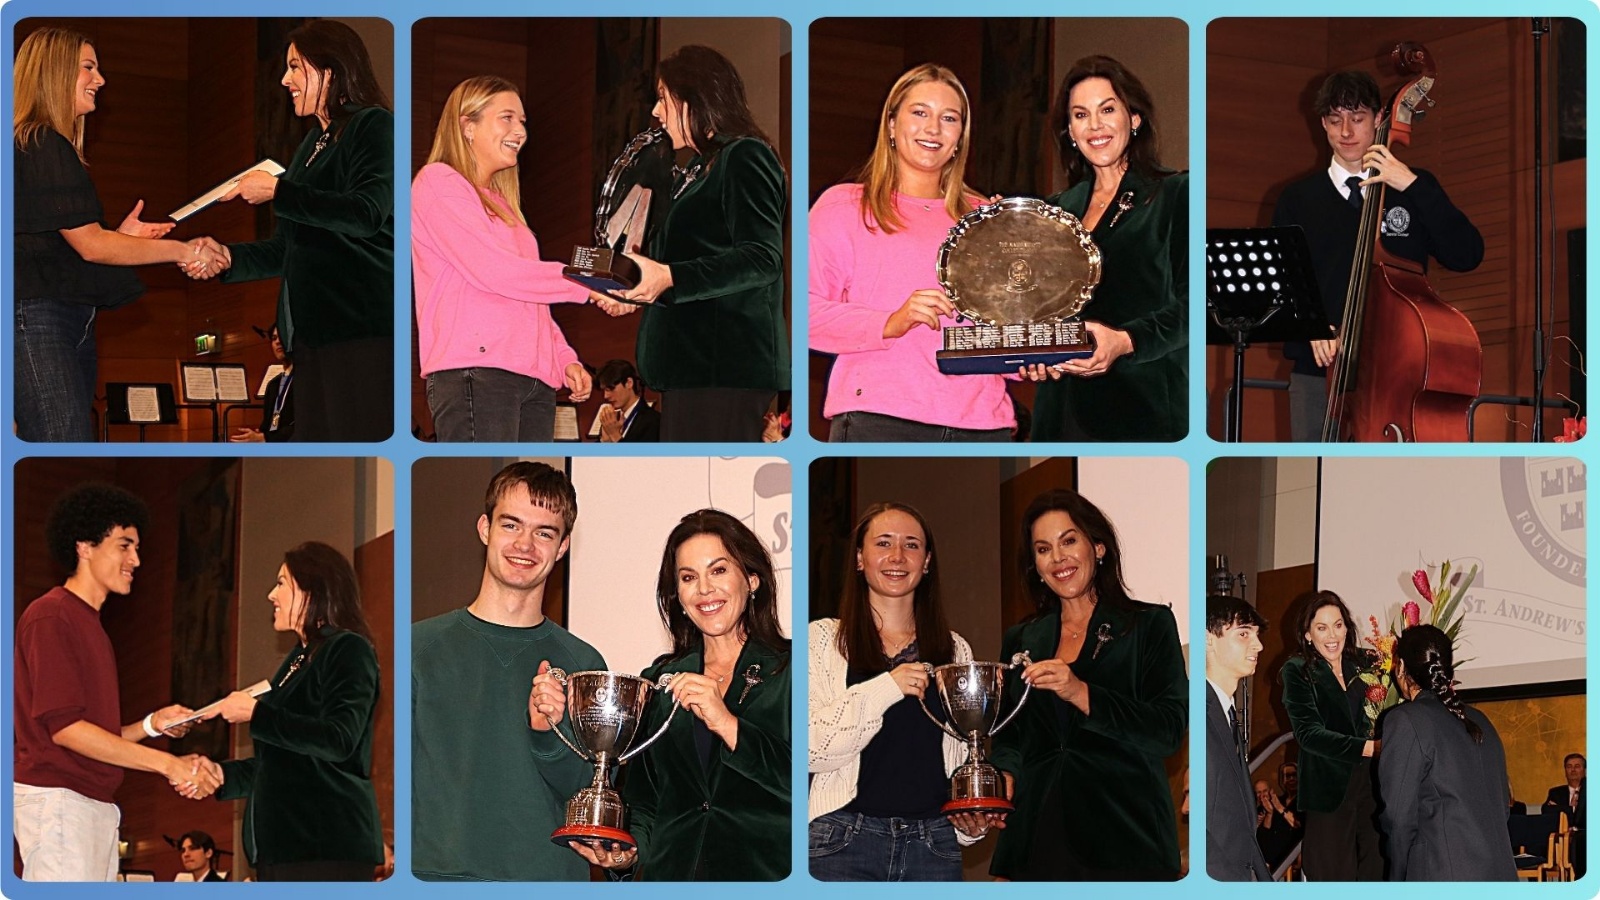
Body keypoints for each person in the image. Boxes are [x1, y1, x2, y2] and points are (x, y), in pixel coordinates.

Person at [808, 64, 1059, 442]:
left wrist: (1027, 357)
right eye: (920, 112)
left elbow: (1004, 324)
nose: (933, 128)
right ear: (891, 124)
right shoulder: (845, 206)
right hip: (880, 419)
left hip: (984, 425)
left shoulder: (986, 218)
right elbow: (805, 314)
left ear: (960, 137)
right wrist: (890, 321)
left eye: (949, 118)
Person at [12, 27, 227, 441]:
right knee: (63, 438)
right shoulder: (40, 142)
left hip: (63, 317)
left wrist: (122, 237)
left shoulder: (39, 145)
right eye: (88, 68)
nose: (100, 79)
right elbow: (91, 246)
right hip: (37, 318)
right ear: (55, 71)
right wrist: (183, 250)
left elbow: (60, 239)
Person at [561, 509, 790, 879]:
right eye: (688, 577)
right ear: (678, 596)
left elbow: (810, 784)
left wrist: (728, 724)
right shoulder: (658, 681)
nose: (704, 589)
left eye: (718, 570)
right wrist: (627, 854)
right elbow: (645, 802)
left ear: (752, 580)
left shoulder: (794, 670)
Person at [412, 462, 605, 880]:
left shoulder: (584, 665)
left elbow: (590, 799)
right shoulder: (417, 648)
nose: (525, 545)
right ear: (485, 529)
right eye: (511, 525)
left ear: (563, 547)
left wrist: (549, 733)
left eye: (544, 533)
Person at [14, 484, 216, 881]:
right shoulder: (51, 616)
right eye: (124, 545)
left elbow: (93, 735)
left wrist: (152, 725)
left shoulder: (92, 627)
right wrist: (169, 765)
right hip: (60, 801)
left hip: (92, 805)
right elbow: (67, 731)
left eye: (137, 548)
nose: (136, 559)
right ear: (84, 546)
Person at [1272, 70, 1484, 441]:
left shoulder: (1414, 188)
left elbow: (1466, 255)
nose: (1346, 132)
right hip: (1318, 376)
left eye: (1357, 119)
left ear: (1379, 119)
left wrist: (1412, 186)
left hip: (1398, 380)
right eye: (1335, 120)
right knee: (1316, 467)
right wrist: (1309, 323)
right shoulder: (1297, 200)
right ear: (1322, 124)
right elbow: (1280, 284)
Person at [210, 20, 395, 442]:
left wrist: (278, 190)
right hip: (311, 339)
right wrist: (227, 258)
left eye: (295, 66)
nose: (284, 79)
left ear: (330, 70)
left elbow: (366, 213)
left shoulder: (374, 125)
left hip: (360, 329)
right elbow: (286, 248)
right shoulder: (310, 146)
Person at [989, 489, 1186, 880]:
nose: (1058, 558)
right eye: (1043, 549)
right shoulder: (1021, 639)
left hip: (1126, 838)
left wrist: (1082, 693)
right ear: (1035, 565)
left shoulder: (1149, 625)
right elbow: (1010, 735)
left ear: (1098, 547)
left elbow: (1168, 731)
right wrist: (1003, 775)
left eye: (1068, 541)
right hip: (1038, 836)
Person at [598, 46, 788, 442]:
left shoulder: (746, 155)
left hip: (722, 370)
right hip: (693, 372)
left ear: (694, 99)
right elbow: (680, 265)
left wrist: (669, 277)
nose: (656, 111)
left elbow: (761, 258)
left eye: (663, 98)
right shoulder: (698, 169)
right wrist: (632, 291)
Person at [808, 503, 997, 881]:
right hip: (841, 842)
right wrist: (887, 687)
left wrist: (969, 821)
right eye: (883, 543)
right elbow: (812, 749)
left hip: (934, 846)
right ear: (859, 558)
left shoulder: (955, 649)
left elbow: (963, 753)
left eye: (911, 545)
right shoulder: (822, 639)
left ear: (926, 562)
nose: (897, 556)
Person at [413, 75, 596, 442]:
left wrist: (563, 358)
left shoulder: (506, 208)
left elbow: (529, 297)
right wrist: (588, 282)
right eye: (507, 118)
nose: (520, 131)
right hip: (477, 372)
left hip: (534, 381)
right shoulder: (438, 182)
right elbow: (495, 272)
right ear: (468, 126)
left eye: (522, 121)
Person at [1031, 56, 1187, 442]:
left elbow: (1196, 307)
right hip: (1060, 410)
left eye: (1107, 110)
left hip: (1142, 408)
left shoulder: (1176, 194)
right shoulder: (1053, 210)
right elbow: (1036, 307)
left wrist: (1125, 341)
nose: (1095, 126)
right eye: (1080, 115)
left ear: (1134, 119)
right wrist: (1032, 353)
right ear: (1069, 130)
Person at [213, 542, 383, 881]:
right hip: (285, 852)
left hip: (326, 848)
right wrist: (219, 776)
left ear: (312, 589)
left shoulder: (348, 648)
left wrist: (257, 714)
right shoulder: (297, 660)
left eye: (281, 583)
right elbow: (283, 761)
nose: (270, 595)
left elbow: (339, 739)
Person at [1376, 624, 1516, 881]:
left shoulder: (1406, 720)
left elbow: (1398, 818)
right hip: (1501, 874)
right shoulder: (1481, 720)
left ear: (1402, 667)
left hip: (1442, 875)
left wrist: (1398, 877)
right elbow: (1502, 807)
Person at [1278, 590, 1382, 880]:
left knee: (1377, 869)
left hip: (1372, 785)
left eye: (1338, 625)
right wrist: (1369, 748)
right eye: (1322, 628)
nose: (1332, 635)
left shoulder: (1366, 663)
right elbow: (1309, 734)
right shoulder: (1297, 670)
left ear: (1347, 627)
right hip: (1328, 788)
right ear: (1308, 634)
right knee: (1333, 876)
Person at [1204, 594, 1272, 882]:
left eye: (1256, 634)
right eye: (1243, 634)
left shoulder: (1225, 713)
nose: (1258, 645)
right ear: (1208, 640)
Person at [231, 323, 294, 443]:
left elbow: (304, 424)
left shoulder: (304, 380)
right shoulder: (273, 384)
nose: (277, 342)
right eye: (274, 338)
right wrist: (257, 435)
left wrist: (265, 438)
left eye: (282, 336)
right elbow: (268, 424)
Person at [595, 359, 660, 442]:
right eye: (604, 390)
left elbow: (639, 451)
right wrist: (605, 441)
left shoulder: (652, 420)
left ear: (629, 383)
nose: (606, 396)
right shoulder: (612, 420)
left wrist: (614, 435)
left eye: (611, 389)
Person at [1547, 752, 1587, 877]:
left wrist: (1563, 809)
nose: (1573, 770)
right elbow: (1546, 811)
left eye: (1577, 766)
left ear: (1584, 770)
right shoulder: (1555, 792)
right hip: (1561, 837)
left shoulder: (1593, 790)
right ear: (1565, 770)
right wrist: (1570, 808)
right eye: (1569, 766)